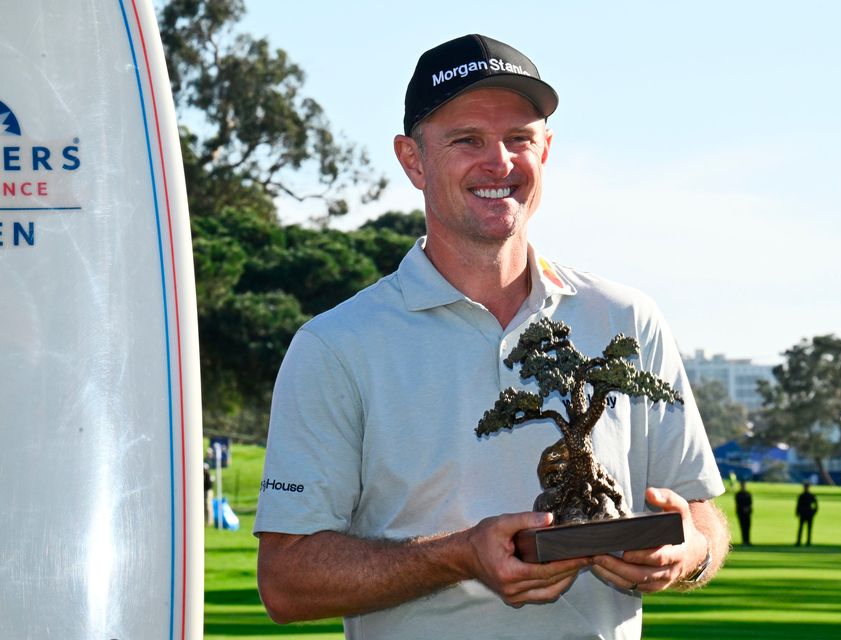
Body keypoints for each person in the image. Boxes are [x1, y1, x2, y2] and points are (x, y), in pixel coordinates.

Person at [254, 34, 730, 640]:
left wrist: (687, 553)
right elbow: (287, 581)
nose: (499, 163)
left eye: (519, 140)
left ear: (546, 151)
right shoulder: (335, 345)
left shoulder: (628, 320)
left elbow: (703, 518)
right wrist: (457, 556)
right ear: (413, 160)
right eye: (466, 140)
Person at [795, 482, 818, 546]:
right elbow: (798, 505)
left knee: (808, 528)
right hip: (803, 513)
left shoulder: (810, 496)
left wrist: (814, 512)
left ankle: (808, 541)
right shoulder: (802, 496)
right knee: (801, 528)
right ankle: (799, 541)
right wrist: (797, 512)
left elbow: (816, 505)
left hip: (808, 513)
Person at [734, 480, 753, 546]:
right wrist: (743, 509)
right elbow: (738, 504)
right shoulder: (738, 494)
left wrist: (748, 509)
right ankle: (744, 541)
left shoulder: (748, 494)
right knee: (742, 526)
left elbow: (750, 503)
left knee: (748, 526)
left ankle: (747, 541)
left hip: (747, 513)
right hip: (741, 513)